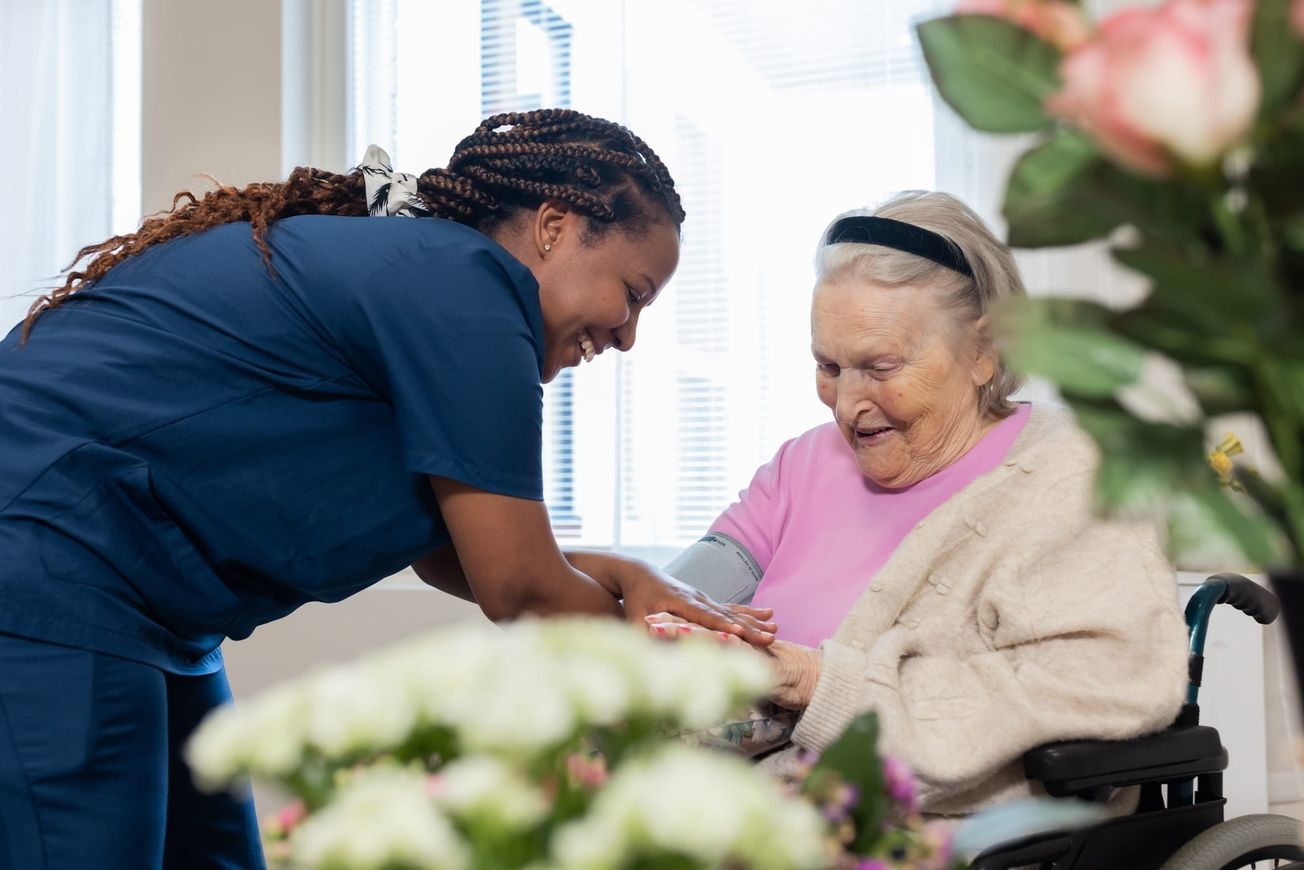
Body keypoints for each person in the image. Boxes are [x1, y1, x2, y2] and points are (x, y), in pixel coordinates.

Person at [0, 108, 774, 869]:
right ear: (554, 227)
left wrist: (627, 576)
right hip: (51, 558)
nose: (628, 335)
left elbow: (454, 551)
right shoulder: (469, 288)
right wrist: (677, 655)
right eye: (633, 294)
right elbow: (520, 589)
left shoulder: (431, 281)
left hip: (139, 601)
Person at [658, 191, 1189, 813]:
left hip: (921, 826)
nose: (846, 405)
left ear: (985, 351)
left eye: (881, 367)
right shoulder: (804, 464)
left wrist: (813, 680)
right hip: (740, 804)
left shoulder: (1074, 476)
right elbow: (672, 599)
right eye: (828, 365)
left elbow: (1114, 680)